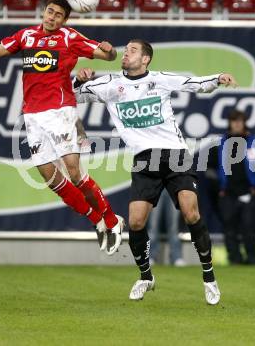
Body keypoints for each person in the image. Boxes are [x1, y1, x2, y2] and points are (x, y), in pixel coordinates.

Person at [0, 0, 125, 255]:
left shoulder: (69, 37)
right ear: (43, 11)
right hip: (32, 116)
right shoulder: (26, 36)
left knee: (74, 173)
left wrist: (109, 50)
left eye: (58, 15)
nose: (52, 17)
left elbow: (108, 55)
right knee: (51, 178)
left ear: (65, 20)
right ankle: (97, 221)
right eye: (50, 12)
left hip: (61, 111)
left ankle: (112, 221)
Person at [74, 39, 237, 304]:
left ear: (146, 59)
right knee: (136, 221)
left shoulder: (160, 80)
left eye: (133, 50)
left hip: (174, 154)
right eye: (125, 50)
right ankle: (146, 276)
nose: (126, 53)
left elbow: (193, 84)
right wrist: (80, 81)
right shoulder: (109, 85)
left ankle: (209, 277)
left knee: (191, 212)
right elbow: (71, 96)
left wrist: (218, 78)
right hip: (143, 159)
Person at [216, 110, 255, 264]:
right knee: (229, 229)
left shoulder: (253, 142)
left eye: (239, 120)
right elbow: (209, 169)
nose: (236, 123)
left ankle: (252, 258)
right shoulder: (221, 143)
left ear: (244, 123)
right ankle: (234, 258)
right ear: (229, 123)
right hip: (228, 193)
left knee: (249, 228)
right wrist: (219, 187)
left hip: (248, 192)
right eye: (233, 120)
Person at [148, 189, 185, 266]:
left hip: (173, 185)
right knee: (153, 225)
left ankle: (176, 257)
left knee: (174, 225)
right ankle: (150, 256)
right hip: (155, 185)